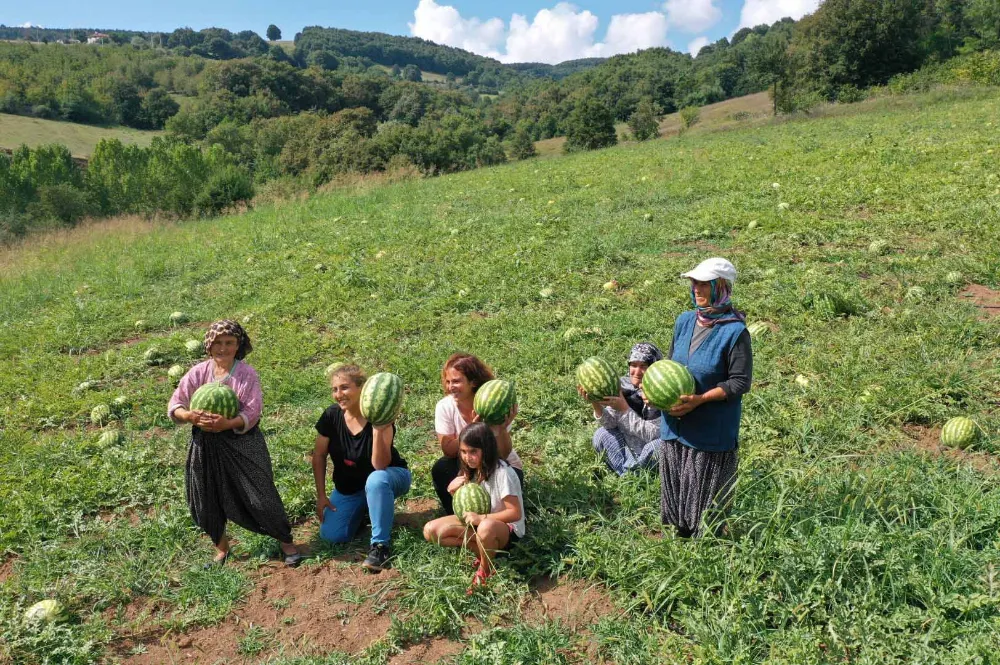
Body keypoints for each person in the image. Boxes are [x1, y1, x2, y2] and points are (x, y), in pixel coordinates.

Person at [168, 320, 302, 567]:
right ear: (209, 345)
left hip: (241, 443)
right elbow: (176, 404)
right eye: (217, 343)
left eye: (229, 343)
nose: (223, 348)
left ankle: (286, 542)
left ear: (238, 345)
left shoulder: (246, 374)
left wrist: (227, 424)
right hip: (204, 445)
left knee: (260, 494)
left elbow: (253, 411)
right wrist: (189, 416)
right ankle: (221, 549)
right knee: (205, 495)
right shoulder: (197, 373)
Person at [659, 258, 752, 538]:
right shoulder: (684, 321)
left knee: (704, 513)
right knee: (678, 503)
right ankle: (680, 546)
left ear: (720, 287)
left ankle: (706, 553)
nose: (696, 288)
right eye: (694, 282)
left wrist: (700, 399)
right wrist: (654, 394)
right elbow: (670, 365)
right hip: (674, 428)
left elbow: (740, 382)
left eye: (704, 283)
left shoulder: (735, 331)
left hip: (710, 432)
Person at [312, 364, 411, 572]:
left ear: (362, 389)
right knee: (332, 535)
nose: (339, 394)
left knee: (376, 480)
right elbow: (319, 455)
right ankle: (369, 509)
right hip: (350, 488)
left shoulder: (381, 417)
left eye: (345, 387)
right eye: (335, 389)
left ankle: (380, 546)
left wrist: (377, 429)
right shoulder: (331, 416)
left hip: (390, 478)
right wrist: (321, 495)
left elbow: (379, 465)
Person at [423, 422, 525, 592]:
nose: (467, 457)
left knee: (485, 527)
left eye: (473, 452)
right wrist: (453, 492)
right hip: (480, 525)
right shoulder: (470, 470)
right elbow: (467, 508)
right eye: (463, 452)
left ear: (486, 449)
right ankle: (486, 552)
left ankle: (485, 570)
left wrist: (482, 519)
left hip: (506, 530)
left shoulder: (503, 473)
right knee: (431, 531)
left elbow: (514, 512)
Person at [431, 353, 523, 514]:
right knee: (441, 468)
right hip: (468, 464)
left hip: (498, 465)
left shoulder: (492, 405)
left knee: (500, 479)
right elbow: (448, 451)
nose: (450, 386)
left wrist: (501, 430)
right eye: (448, 381)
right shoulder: (445, 407)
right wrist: (471, 428)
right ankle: (457, 514)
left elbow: (502, 454)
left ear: (472, 382)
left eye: (456, 381)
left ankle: (496, 517)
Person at [580, 342, 663, 475]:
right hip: (627, 450)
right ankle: (629, 474)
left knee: (659, 446)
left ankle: (632, 475)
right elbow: (610, 424)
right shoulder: (622, 386)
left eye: (643, 366)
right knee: (601, 434)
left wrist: (624, 409)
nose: (637, 371)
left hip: (649, 454)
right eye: (633, 365)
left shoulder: (661, 393)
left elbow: (653, 435)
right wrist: (595, 403)